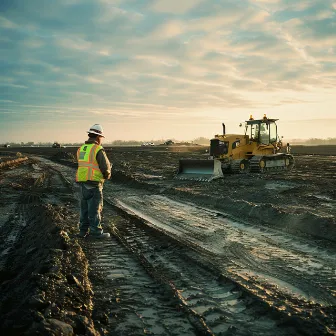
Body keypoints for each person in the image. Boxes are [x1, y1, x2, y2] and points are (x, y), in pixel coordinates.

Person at [76, 124, 111, 238]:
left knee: (84, 210)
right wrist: (107, 175)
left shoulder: (81, 149)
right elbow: (105, 168)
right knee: (95, 210)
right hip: (94, 184)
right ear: (98, 137)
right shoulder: (98, 149)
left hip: (82, 184)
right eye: (101, 137)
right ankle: (96, 232)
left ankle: (82, 231)